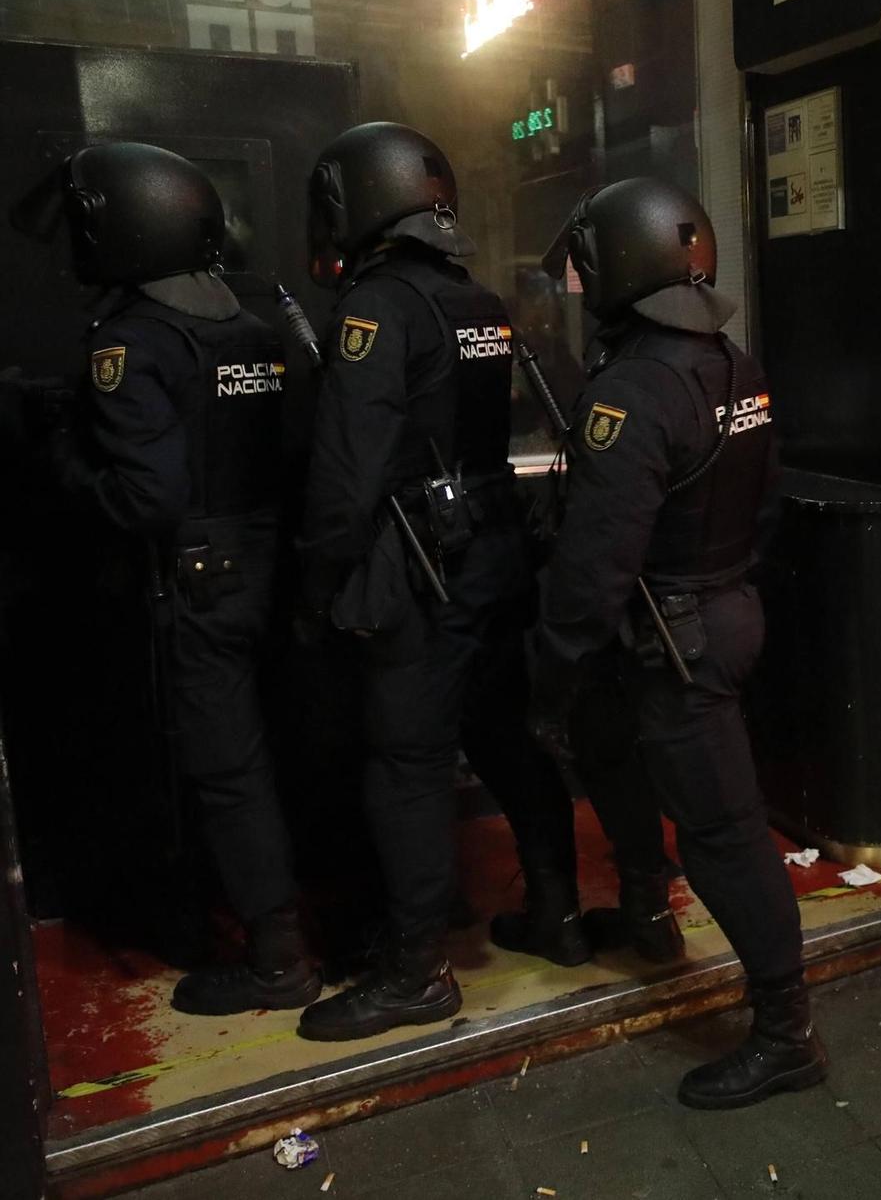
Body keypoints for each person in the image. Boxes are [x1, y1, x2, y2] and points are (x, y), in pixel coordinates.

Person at [527, 177, 816, 1110]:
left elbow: (593, 562)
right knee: (618, 753)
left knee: (726, 834)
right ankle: (648, 912)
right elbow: (763, 502)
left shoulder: (632, 389)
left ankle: (786, 1034)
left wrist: (551, 670)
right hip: (715, 607)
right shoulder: (734, 362)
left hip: (672, 633)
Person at [8, 142, 316, 1015]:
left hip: (195, 581)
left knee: (226, 769)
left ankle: (278, 956)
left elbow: (148, 497)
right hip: (262, 567)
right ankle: (278, 918)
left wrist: (62, 456)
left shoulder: (131, 341)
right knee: (263, 752)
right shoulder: (248, 326)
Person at [293, 122, 580, 1040]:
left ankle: (418, 972)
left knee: (405, 766)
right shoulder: (477, 298)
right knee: (502, 735)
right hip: (493, 548)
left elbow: (346, 478)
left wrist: (316, 583)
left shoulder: (379, 308)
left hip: (421, 565)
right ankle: (558, 913)